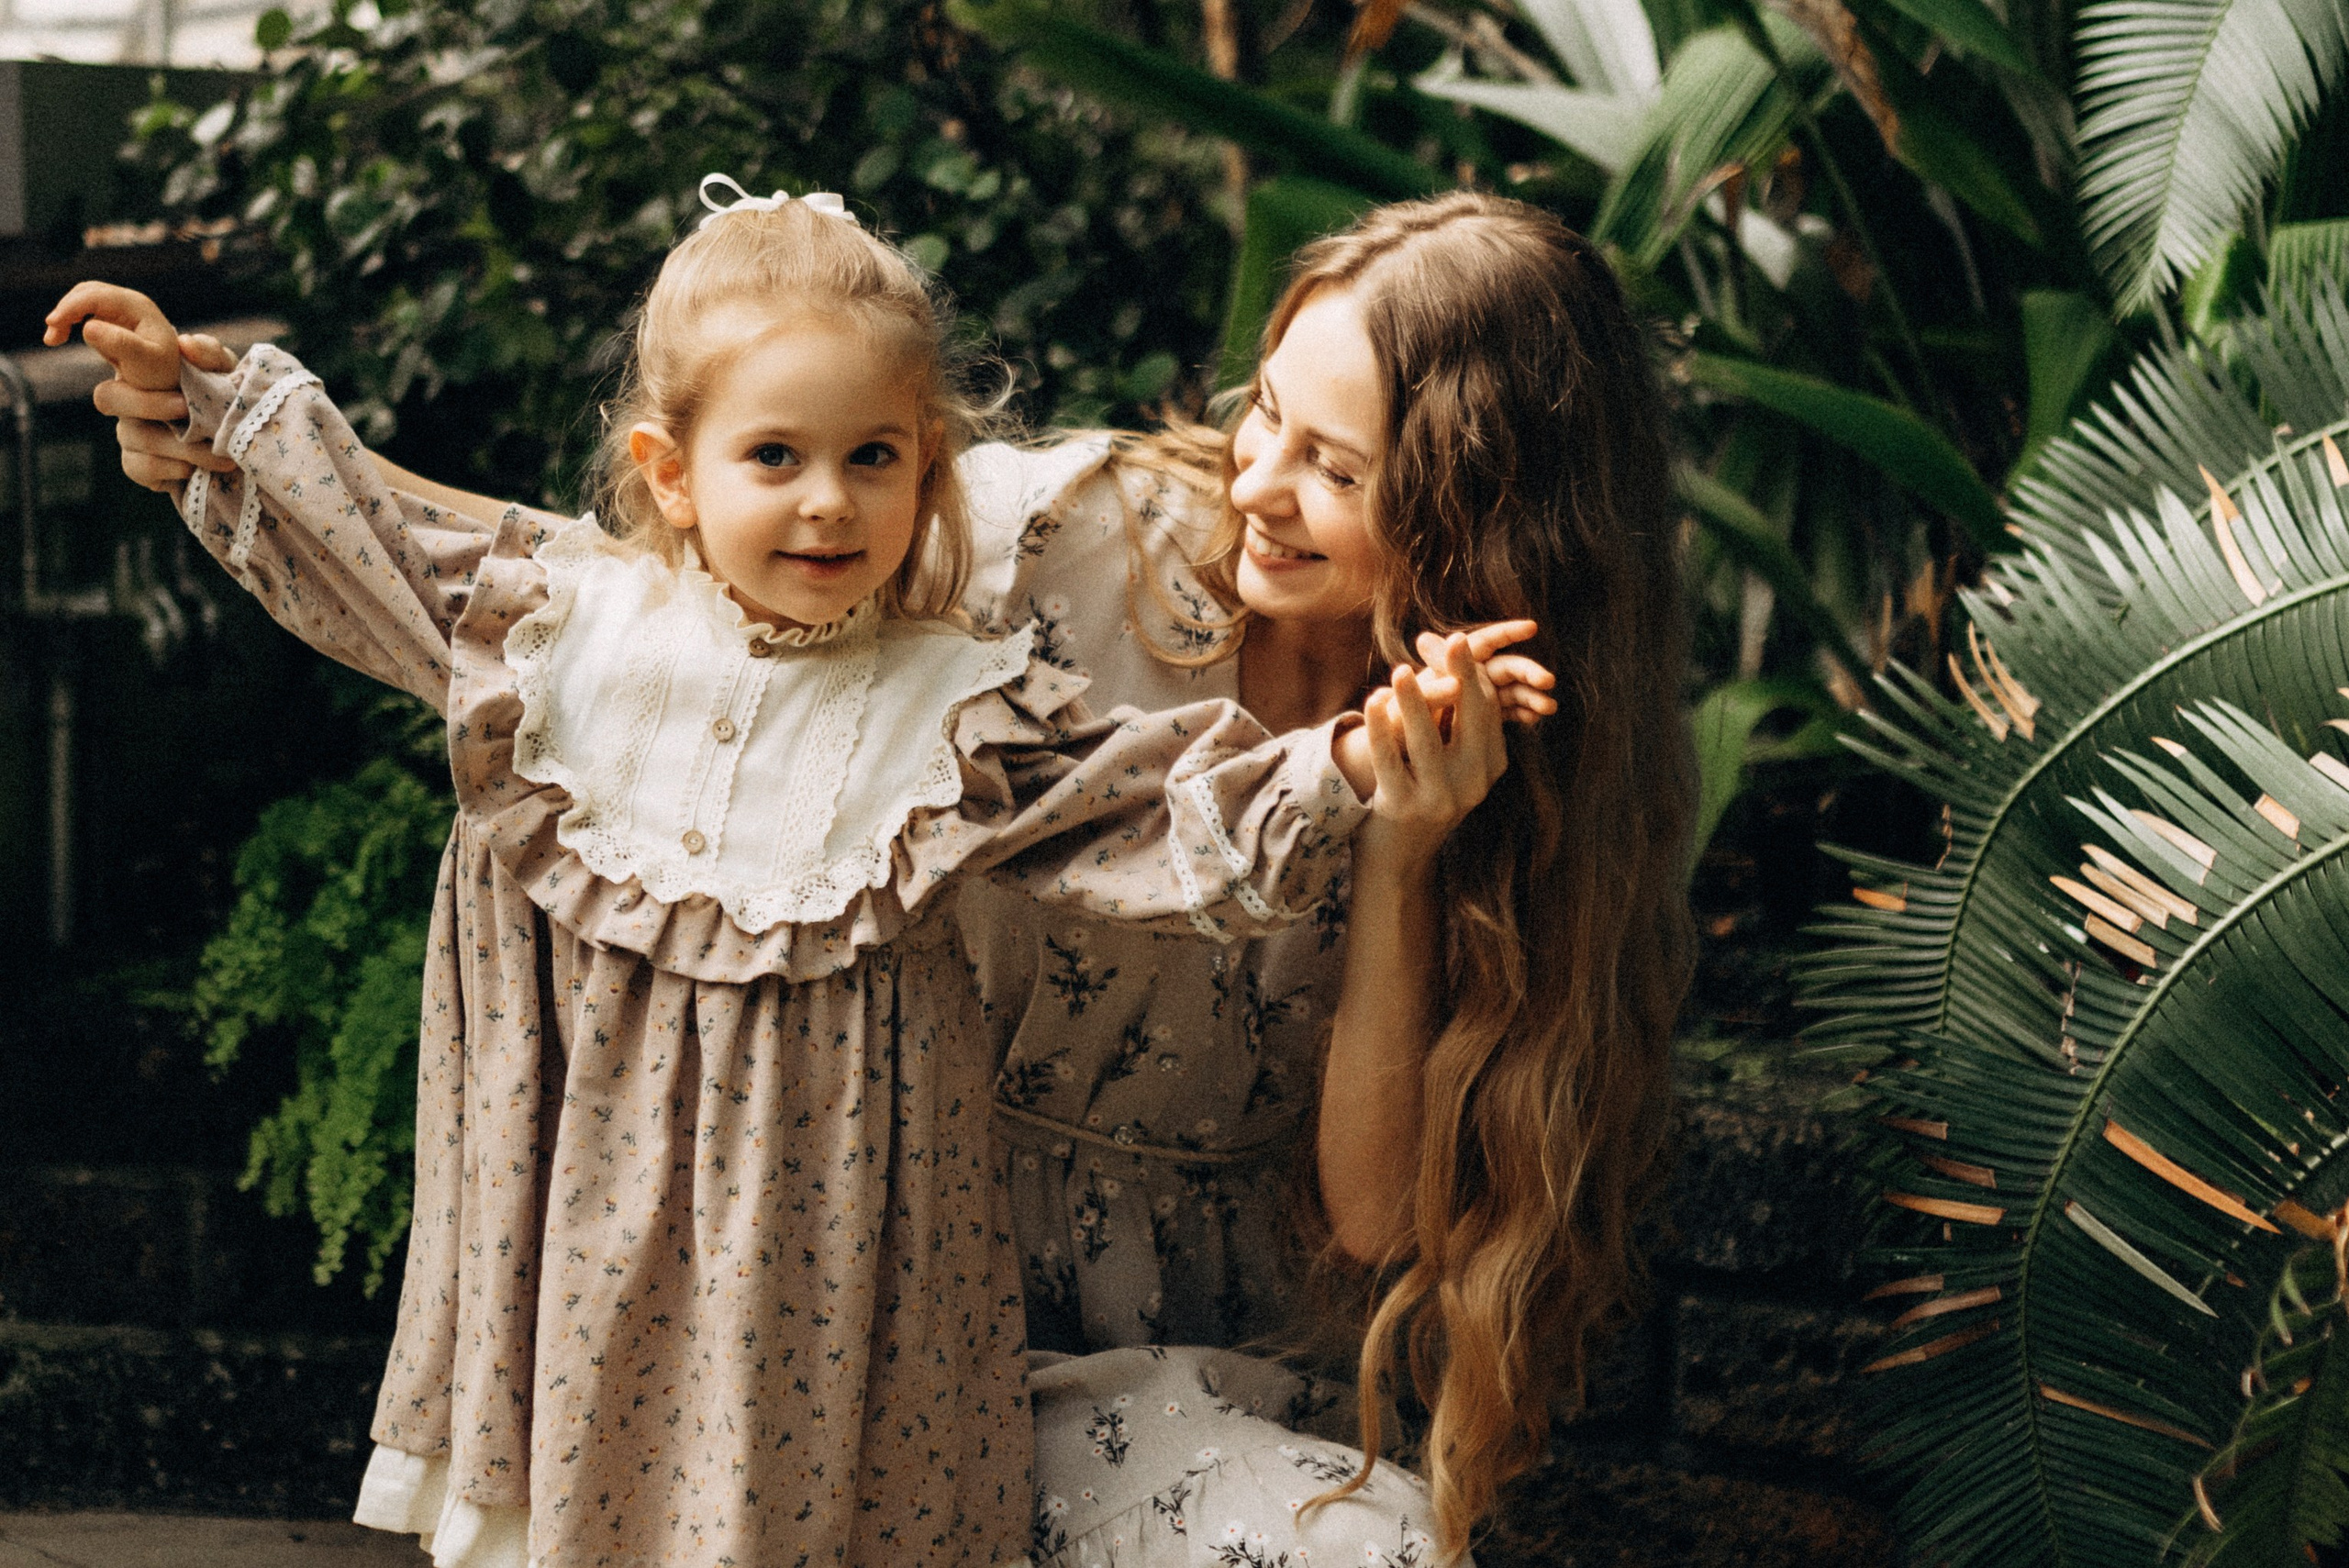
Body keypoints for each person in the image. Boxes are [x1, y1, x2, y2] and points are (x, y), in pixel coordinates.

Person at [104, 189, 1691, 1565]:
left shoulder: (1493, 774)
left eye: (1338, 471)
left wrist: (1403, 846)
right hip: (841, 1275)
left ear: (1484, 526)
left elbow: (1365, 1216)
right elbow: (634, 601)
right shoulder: (1059, 543)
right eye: (1266, 409)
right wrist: (248, 449)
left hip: (1161, 1374)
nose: (1261, 477)